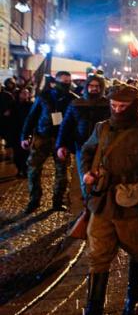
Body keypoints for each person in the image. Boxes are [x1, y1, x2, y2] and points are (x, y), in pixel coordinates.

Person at [63, 84, 138, 315]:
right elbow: (87, 150)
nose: (117, 110)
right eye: (114, 106)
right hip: (102, 200)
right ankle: (93, 314)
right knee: (98, 255)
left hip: (132, 202)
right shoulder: (103, 127)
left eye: (123, 106)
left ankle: (133, 297)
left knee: (136, 249)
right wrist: (87, 172)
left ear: (134, 106)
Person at [20, 70, 78, 212]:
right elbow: (32, 117)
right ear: (55, 82)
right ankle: (34, 200)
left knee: (62, 173)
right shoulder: (44, 96)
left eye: (68, 82)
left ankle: (57, 202)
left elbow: (76, 122)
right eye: (63, 82)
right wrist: (24, 136)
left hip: (61, 140)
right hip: (42, 137)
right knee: (33, 169)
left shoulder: (73, 99)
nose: (66, 84)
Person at [57, 75, 111, 192]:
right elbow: (66, 125)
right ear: (87, 86)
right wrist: (61, 145)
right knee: (85, 177)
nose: (94, 88)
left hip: (103, 146)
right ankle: (87, 204)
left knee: (101, 177)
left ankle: (97, 204)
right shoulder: (76, 103)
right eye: (91, 85)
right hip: (81, 145)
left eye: (97, 86)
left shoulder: (108, 104)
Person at [11, 88, 34, 177]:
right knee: (17, 153)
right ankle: (19, 169)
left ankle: (25, 170)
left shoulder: (30, 105)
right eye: (23, 93)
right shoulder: (13, 105)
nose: (25, 94)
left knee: (26, 152)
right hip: (15, 132)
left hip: (27, 132)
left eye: (27, 93)